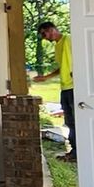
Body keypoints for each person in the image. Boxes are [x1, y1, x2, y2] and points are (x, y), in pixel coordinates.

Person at [32, 19, 75, 161]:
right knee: (69, 121)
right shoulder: (57, 46)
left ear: (52, 29)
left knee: (76, 120)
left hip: (74, 86)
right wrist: (46, 77)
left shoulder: (69, 39)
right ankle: (74, 152)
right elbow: (62, 66)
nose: (45, 38)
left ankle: (78, 152)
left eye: (45, 34)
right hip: (65, 87)